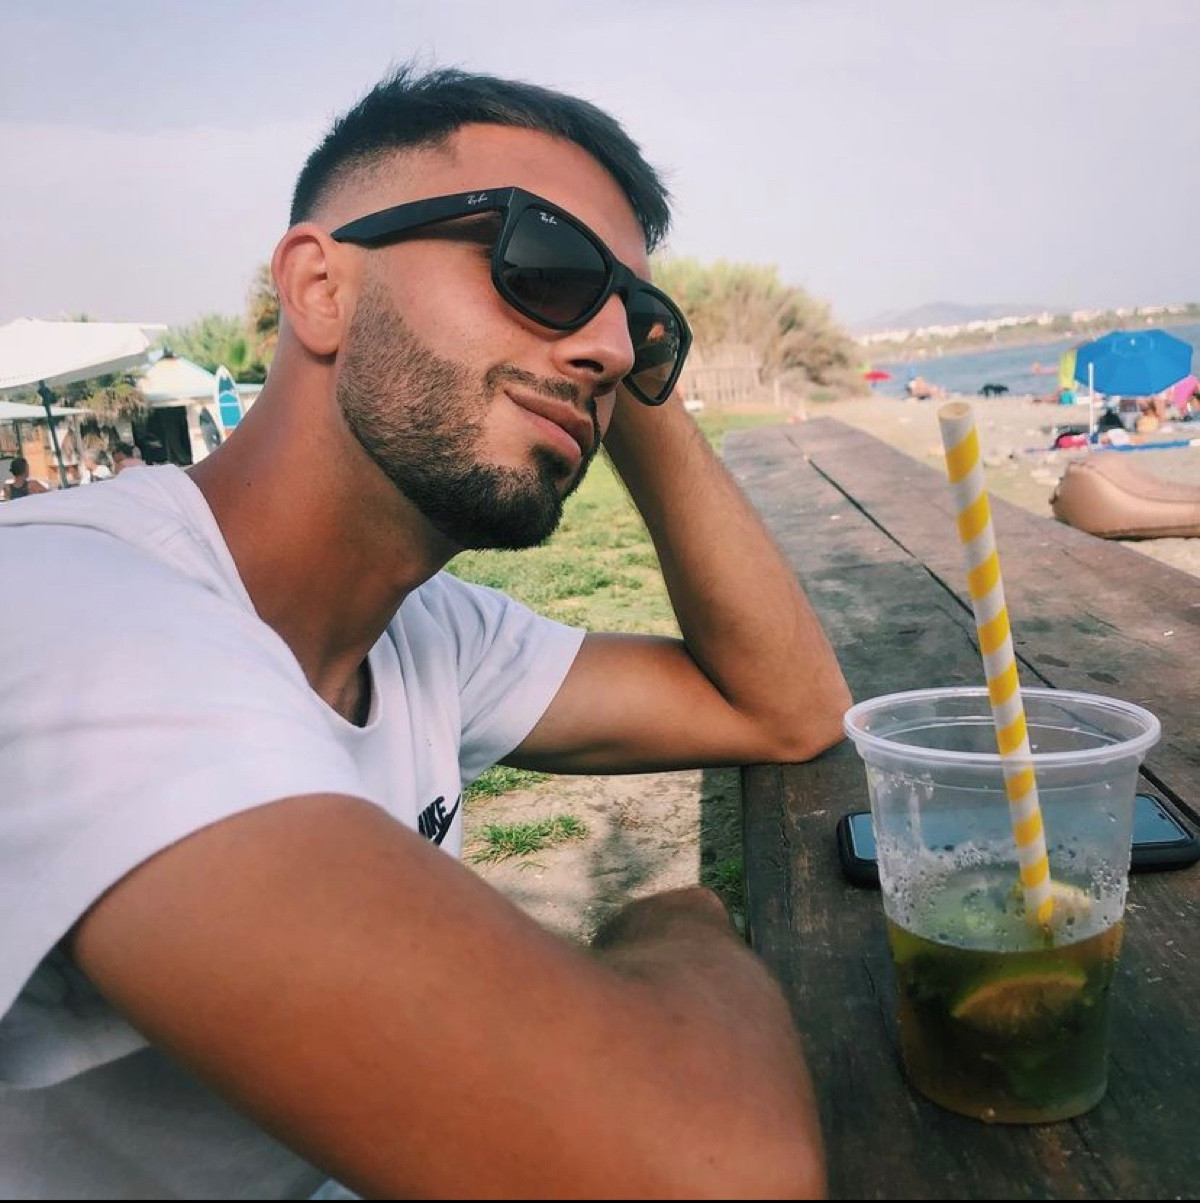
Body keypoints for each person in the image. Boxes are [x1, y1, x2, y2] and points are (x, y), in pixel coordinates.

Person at [0, 64, 851, 1200]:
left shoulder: (424, 633)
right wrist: (677, 923)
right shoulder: (73, 614)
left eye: (639, 327)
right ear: (320, 287)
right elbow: (711, 1172)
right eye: (542, 264)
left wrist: (607, 356)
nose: (610, 351)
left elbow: (787, 707)